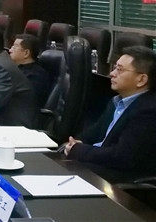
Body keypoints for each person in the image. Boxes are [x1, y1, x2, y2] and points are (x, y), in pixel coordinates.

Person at [64, 46, 156, 179]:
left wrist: (78, 149)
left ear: (141, 80)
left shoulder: (149, 111)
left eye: (120, 70)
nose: (112, 73)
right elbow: (93, 133)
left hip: (124, 179)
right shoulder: (116, 102)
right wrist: (76, 142)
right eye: (115, 68)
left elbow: (122, 156)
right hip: (102, 165)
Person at [10, 34, 53, 106]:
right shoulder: (15, 68)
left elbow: (27, 102)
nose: (10, 50)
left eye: (14, 47)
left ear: (26, 53)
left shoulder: (36, 76)